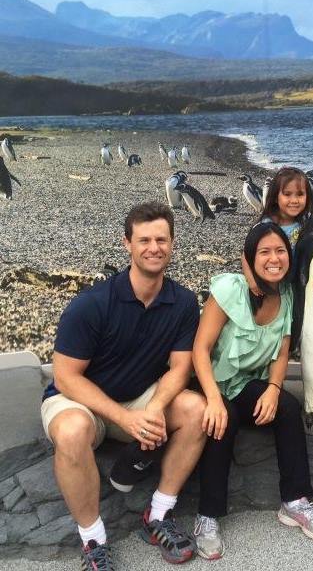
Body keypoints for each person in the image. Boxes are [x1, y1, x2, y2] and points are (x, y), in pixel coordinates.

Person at [40, 202, 206, 570]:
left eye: (161, 239)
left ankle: (158, 514)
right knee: (71, 431)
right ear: (127, 244)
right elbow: (65, 376)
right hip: (79, 400)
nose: (153, 247)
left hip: (138, 397)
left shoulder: (181, 303)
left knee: (196, 409)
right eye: (144, 239)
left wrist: (153, 408)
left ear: (173, 244)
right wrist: (124, 418)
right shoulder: (93, 305)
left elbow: (181, 368)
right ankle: (94, 540)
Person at [192, 222, 313, 560]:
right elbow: (200, 348)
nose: (274, 258)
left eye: (280, 250)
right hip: (210, 383)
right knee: (220, 422)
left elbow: (282, 353)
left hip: (244, 384)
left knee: (287, 406)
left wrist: (272, 389)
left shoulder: (285, 295)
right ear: (251, 258)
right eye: (265, 252)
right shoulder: (230, 289)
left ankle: (295, 501)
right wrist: (212, 399)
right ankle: (207, 516)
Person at [242, 166, 311, 295]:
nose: (294, 200)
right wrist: (252, 281)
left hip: (292, 285)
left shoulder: (305, 223)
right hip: (266, 283)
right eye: (287, 194)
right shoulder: (266, 224)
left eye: (300, 194)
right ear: (274, 197)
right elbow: (247, 254)